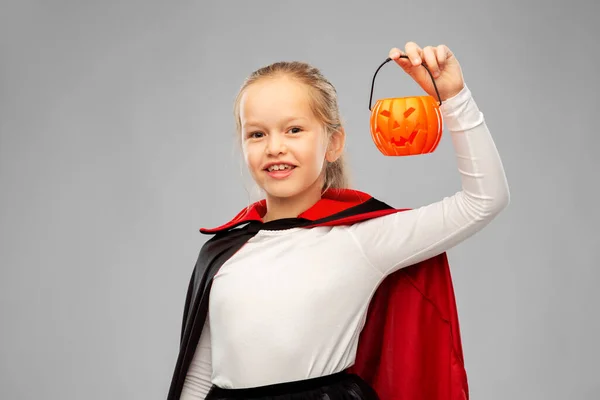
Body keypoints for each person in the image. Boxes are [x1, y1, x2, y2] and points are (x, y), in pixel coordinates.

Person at [167, 42, 510, 400]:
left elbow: (484, 200)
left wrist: (454, 97)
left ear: (333, 143)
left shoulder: (363, 239)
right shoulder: (222, 253)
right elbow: (200, 375)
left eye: (294, 130)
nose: (274, 147)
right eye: (257, 134)